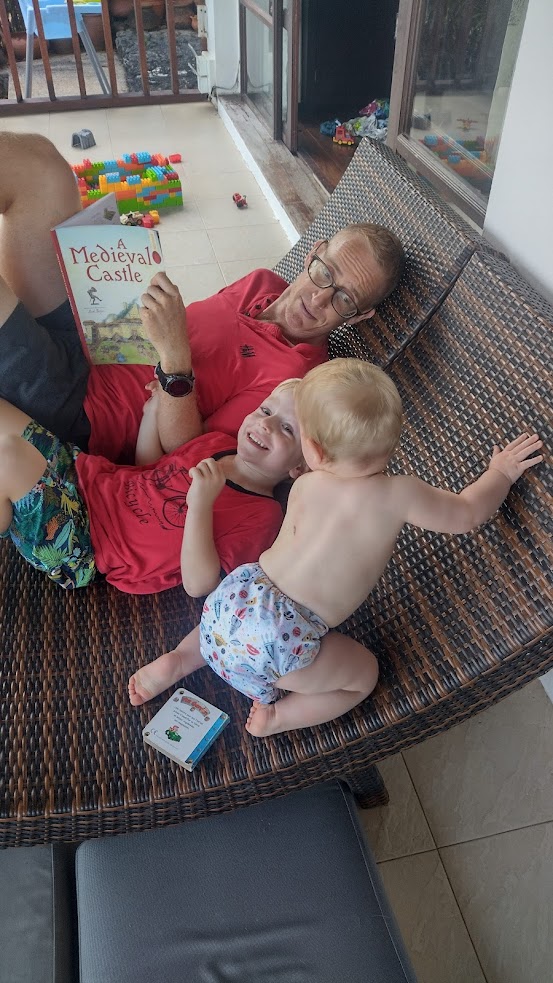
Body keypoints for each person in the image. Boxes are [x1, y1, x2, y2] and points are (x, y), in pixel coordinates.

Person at [128, 358, 543, 736]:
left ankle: (178, 661)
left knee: (232, 628)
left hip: (234, 598)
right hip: (283, 639)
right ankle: (279, 718)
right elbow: (468, 513)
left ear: (314, 452)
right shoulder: (400, 494)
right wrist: (500, 473)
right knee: (361, 676)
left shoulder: (306, 483)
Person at [0, 132, 405, 464]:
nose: (318, 300)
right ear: (314, 252)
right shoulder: (262, 282)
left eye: (343, 300)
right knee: (42, 165)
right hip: (102, 336)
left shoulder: (297, 384)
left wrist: (175, 355)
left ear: (358, 316)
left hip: (83, 408)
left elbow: (185, 457)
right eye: (325, 273)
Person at [0, 379, 306, 594]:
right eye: (266, 411)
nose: (266, 424)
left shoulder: (262, 515)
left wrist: (200, 504)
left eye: (288, 428)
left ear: (298, 467)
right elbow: (147, 471)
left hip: (83, 545)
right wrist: (151, 416)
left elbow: (200, 585)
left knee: (9, 457)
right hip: (82, 476)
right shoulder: (217, 443)